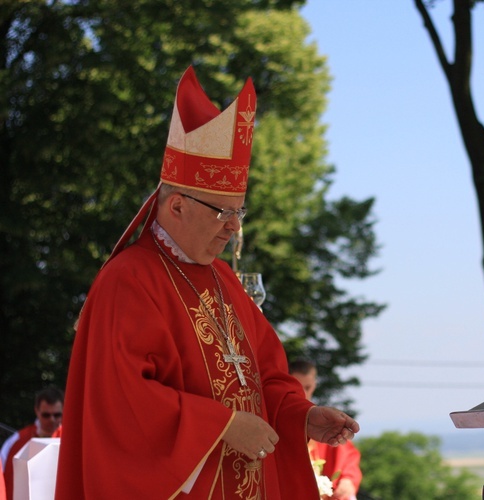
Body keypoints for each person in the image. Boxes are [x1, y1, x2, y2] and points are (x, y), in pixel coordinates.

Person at [55, 66, 359, 499]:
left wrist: (299, 415)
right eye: (223, 213)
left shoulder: (223, 279)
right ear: (176, 205)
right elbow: (122, 404)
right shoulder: (127, 280)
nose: (234, 228)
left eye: (239, 212)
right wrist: (223, 426)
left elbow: (262, 376)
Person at [289, 360, 362, 500]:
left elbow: (348, 457)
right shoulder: (274, 421)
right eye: (297, 387)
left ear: (315, 385)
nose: (303, 394)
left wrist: (347, 480)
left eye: (307, 387)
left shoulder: (321, 425)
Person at [1, 387, 64, 499]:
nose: (52, 420)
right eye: (46, 415)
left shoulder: (69, 441)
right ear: (37, 411)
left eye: (57, 415)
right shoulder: (17, 441)